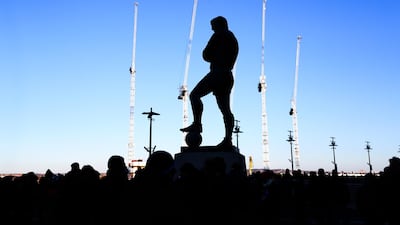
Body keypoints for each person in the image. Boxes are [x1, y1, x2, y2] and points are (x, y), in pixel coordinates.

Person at [180, 16, 239, 149]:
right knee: (225, 110)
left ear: (219, 25)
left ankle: (197, 123)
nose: (211, 29)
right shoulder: (232, 38)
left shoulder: (219, 35)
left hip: (217, 73)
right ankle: (228, 139)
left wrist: (213, 54)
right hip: (227, 76)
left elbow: (206, 55)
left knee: (194, 95)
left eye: (213, 26)